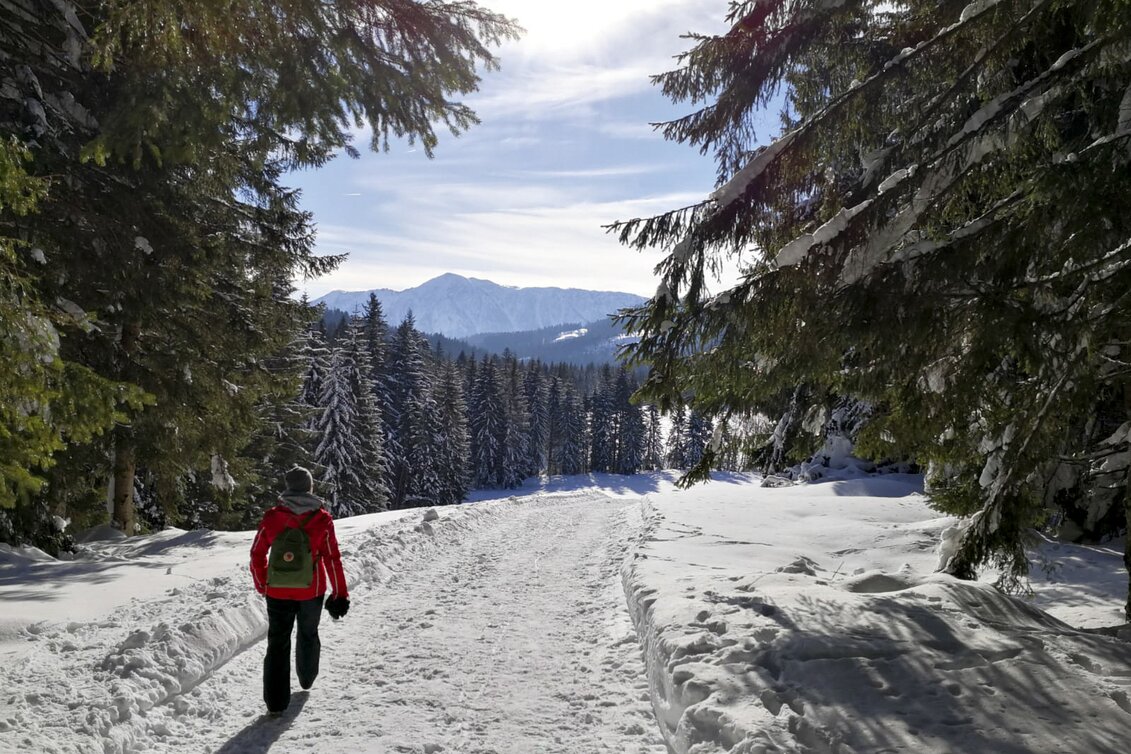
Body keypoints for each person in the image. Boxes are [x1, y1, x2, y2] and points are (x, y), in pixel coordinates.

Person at [250, 466, 350, 715]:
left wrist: (263, 584)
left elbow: (257, 553)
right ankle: (306, 678)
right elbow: (332, 559)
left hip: (277, 592)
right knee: (308, 634)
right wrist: (340, 594)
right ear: (309, 487)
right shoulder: (322, 518)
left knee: (277, 643)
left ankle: (275, 703)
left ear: (288, 488)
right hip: (311, 591)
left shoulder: (272, 517)